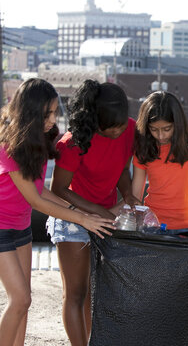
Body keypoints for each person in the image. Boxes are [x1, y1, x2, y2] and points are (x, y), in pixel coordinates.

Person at [0, 78, 113, 346]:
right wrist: (83, 219)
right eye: (47, 113)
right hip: (2, 229)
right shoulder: (9, 145)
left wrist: (75, 209)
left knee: (23, 304)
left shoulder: (37, 139)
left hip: (22, 228)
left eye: (54, 112)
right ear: (30, 112)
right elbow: (36, 201)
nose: (53, 119)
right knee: (20, 299)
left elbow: (42, 191)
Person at [47, 79, 138, 346]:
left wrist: (128, 193)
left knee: (93, 292)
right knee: (75, 292)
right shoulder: (73, 142)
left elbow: (122, 168)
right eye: (112, 128)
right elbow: (59, 189)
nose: (119, 132)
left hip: (107, 216)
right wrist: (97, 212)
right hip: (72, 217)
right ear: (96, 122)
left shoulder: (129, 130)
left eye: (123, 125)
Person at [131, 91, 188, 235]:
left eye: (167, 129)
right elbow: (136, 192)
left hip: (186, 223)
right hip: (151, 224)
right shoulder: (142, 148)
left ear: (177, 124)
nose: (160, 135)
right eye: (154, 129)